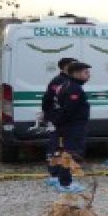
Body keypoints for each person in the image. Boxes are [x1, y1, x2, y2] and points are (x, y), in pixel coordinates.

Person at [45, 61, 92, 193]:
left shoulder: (67, 85)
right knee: (69, 154)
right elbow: (68, 110)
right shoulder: (73, 88)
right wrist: (59, 123)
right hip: (73, 127)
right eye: (86, 72)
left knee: (64, 152)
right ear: (76, 73)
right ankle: (65, 183)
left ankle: (61, 178)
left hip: (68, 126)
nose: (89, 75)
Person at [40, 57, 77, 186]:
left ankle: (64, 173)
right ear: (64, 67)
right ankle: (54, 174)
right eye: (72, 66)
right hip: (56, 120)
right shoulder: (58, 81)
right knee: (55, 147)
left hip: (67, 121)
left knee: (65, 148)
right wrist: (49, 117)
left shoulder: (72, 81)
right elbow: (48, 100)